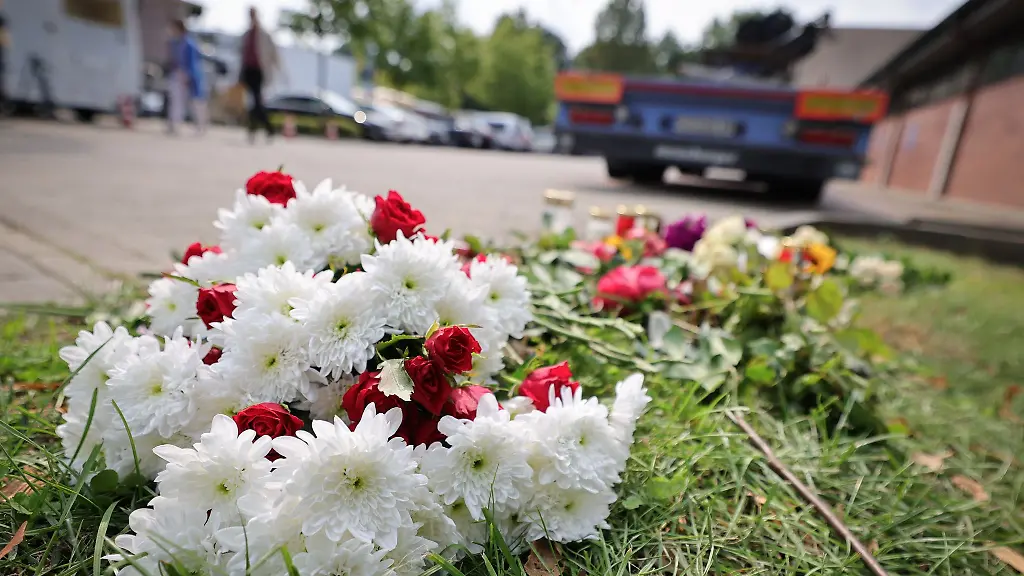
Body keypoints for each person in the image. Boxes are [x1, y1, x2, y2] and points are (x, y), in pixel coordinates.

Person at [238, 7, 281, 143]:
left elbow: (273, 53)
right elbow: (242, 55)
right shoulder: (246, 35)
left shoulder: (264, 35)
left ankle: (264, 129)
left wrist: (278, 70)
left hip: (259, 71)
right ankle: (258, 130)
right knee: (253, 103)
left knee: (256, 102)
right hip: (248, 70)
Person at [165, 19, 207, 135]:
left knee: (196, 102)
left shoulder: (189, 44)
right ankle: (174, 124)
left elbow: (193, 62)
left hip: (190, 75)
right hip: (177, 74)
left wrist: (188, 75)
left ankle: (200, 126)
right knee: (176, 100)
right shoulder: (174, 43)